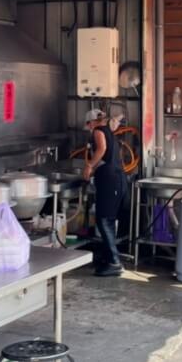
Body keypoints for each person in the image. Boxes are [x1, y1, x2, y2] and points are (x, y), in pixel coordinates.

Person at [82, 109, 124, 277]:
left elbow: (102, 149)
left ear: (92, 122)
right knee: (108, 220)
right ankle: (110, 259)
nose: (87, 127)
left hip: (110, 180)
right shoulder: (110, 132)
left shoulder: (99, 131)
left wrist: (89, 165)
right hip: (115, 179)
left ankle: (114, 262)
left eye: (87, 124)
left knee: (104, 220)